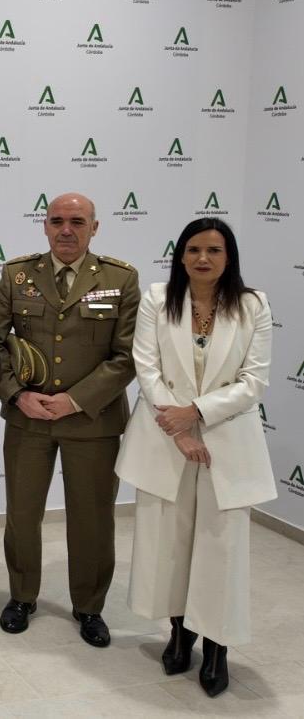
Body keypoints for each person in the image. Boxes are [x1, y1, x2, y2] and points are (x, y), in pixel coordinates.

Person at [116, 218, 274, 697]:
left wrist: (197, 412)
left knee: (220, 549)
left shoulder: (253, 304)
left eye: (214, 250)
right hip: (166, 440)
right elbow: (147, 368)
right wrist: (180, 429)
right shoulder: (158, 298)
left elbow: (254, 381)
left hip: (228, 442)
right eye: (193, 249)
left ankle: (218, 646)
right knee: (170, 544)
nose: (203, 258)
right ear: (181, 255)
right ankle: (180, 633)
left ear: (229, 257)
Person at [0, 192, 139, 647]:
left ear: (95, 227)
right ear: (45, 225)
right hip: (28, 418)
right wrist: (16, 394)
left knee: (93, 519)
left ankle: (89, 606)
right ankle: (22, 596)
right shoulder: (17, 274)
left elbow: (127, 355)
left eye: (77, 221)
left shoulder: (121, 278)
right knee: (22, 514)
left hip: (92, 422)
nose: (66, 230)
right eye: (57, 221)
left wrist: (75, 400)